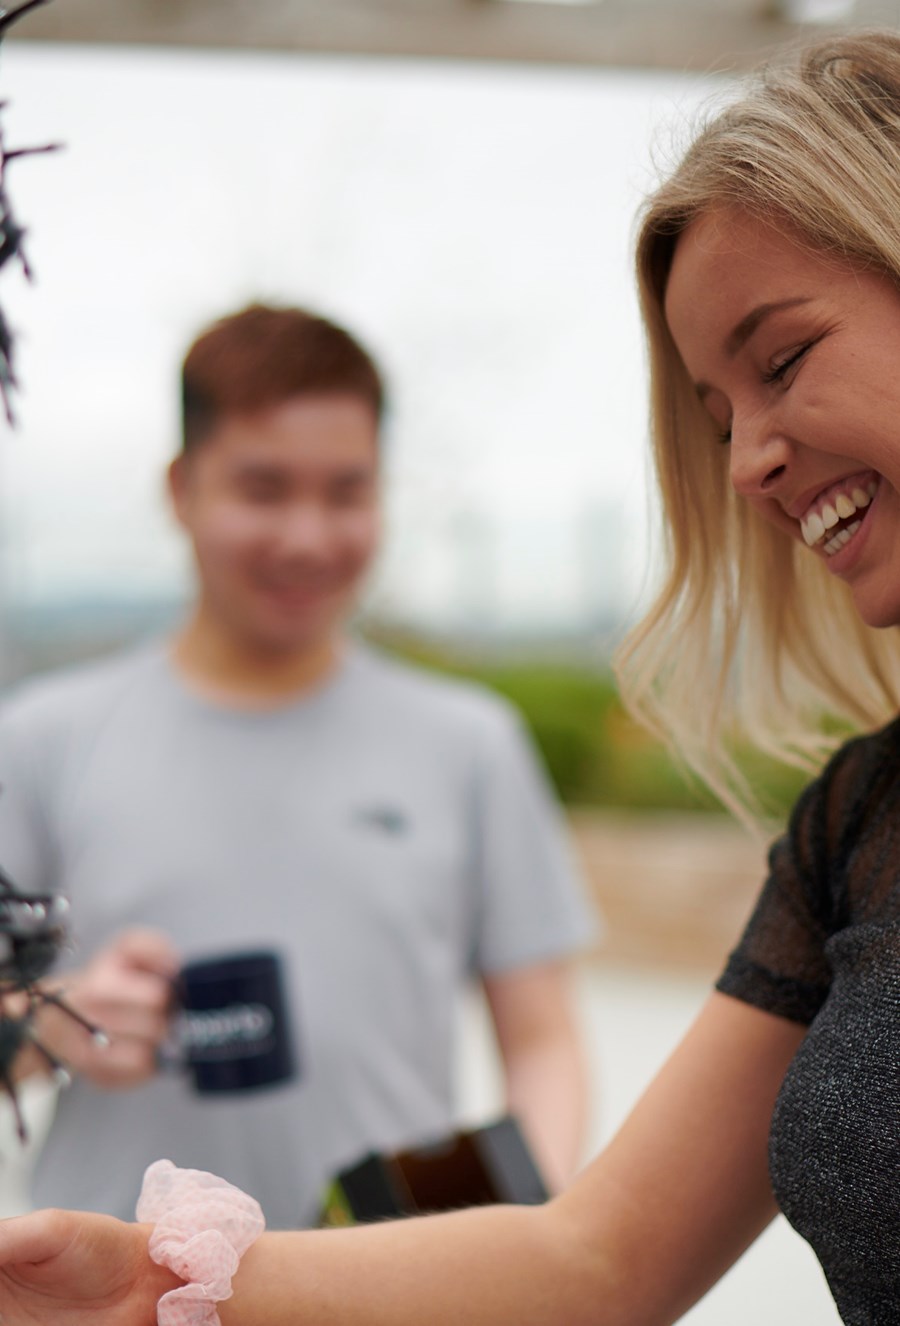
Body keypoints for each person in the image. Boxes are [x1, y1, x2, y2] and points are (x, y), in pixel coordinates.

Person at [1, 26, 897, 1325]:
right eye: (718, 417)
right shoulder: (854, 826)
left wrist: (502, 1186)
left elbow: (546, 1061)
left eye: (783, 360)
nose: (751, 459)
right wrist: (153, 1272)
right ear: (178, 492)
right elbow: (601, 1262)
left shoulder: (464, 738)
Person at [0, 303, 596, 1226]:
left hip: (386, 1295)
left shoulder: (470, 742)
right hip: (113, 1297)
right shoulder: (41, 739)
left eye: (346, 492)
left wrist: (522, 1235)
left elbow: (546, 1042)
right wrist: (53, 1025)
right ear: (181, 488)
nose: (309, 537)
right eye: (264, 489)